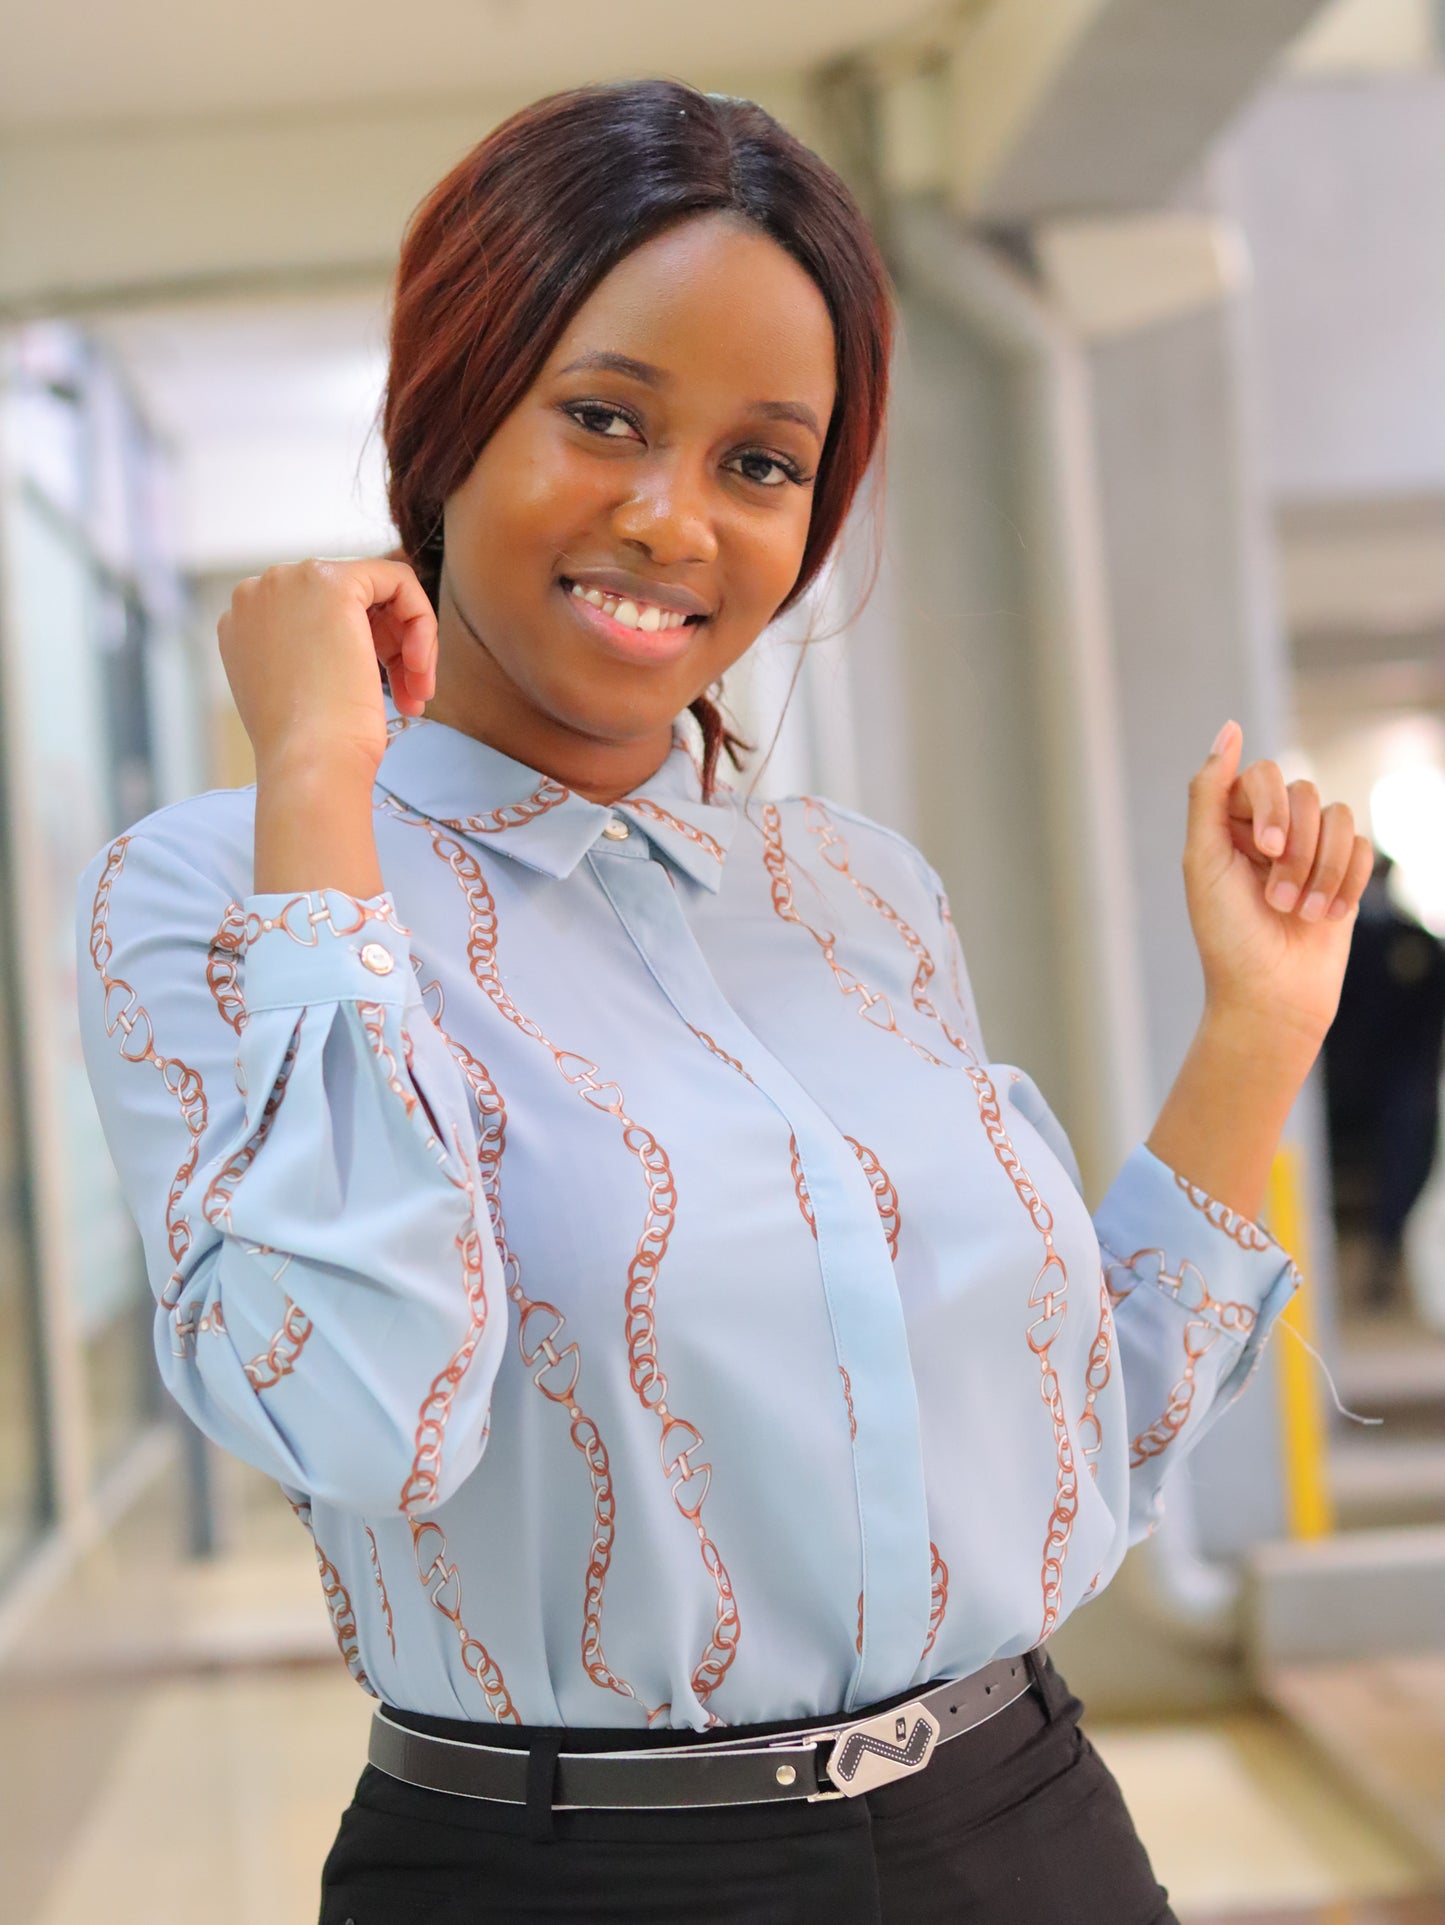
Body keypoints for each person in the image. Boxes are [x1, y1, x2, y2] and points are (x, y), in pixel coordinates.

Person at [76, 80, 1374, 1925]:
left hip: (1023, 1830)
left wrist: (1258, 1030)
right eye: (604, 419)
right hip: (560, 1875)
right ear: (448, 415)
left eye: (762, 465)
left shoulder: (858, 896)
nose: (676, 521)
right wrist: (312, 782)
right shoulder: (219, 891)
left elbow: (1068, 1452)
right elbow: (371, 1413)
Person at [1323, 849, 1445, 1312]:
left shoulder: (1414, 943)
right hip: (1335, 1082)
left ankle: (1384, 1252)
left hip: (1398, 1084)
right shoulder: (1332, 942)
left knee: (1410, 1137)